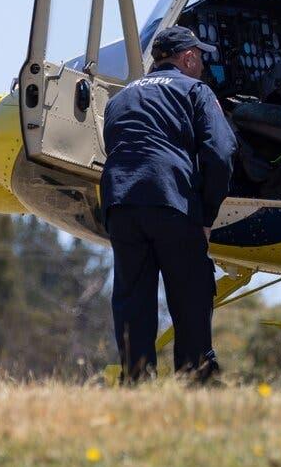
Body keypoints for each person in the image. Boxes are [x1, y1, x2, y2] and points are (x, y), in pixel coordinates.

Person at [100, 24, 235, 382]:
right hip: (171, 200)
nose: (203, 66)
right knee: (191, 293)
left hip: (121, 202)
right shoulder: (196, 90)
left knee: (132, 299)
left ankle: (137, 382)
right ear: (188, 58)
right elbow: (221, 153)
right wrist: (206, 215)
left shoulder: (120, 97)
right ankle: (195, 380)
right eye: (200, 58)